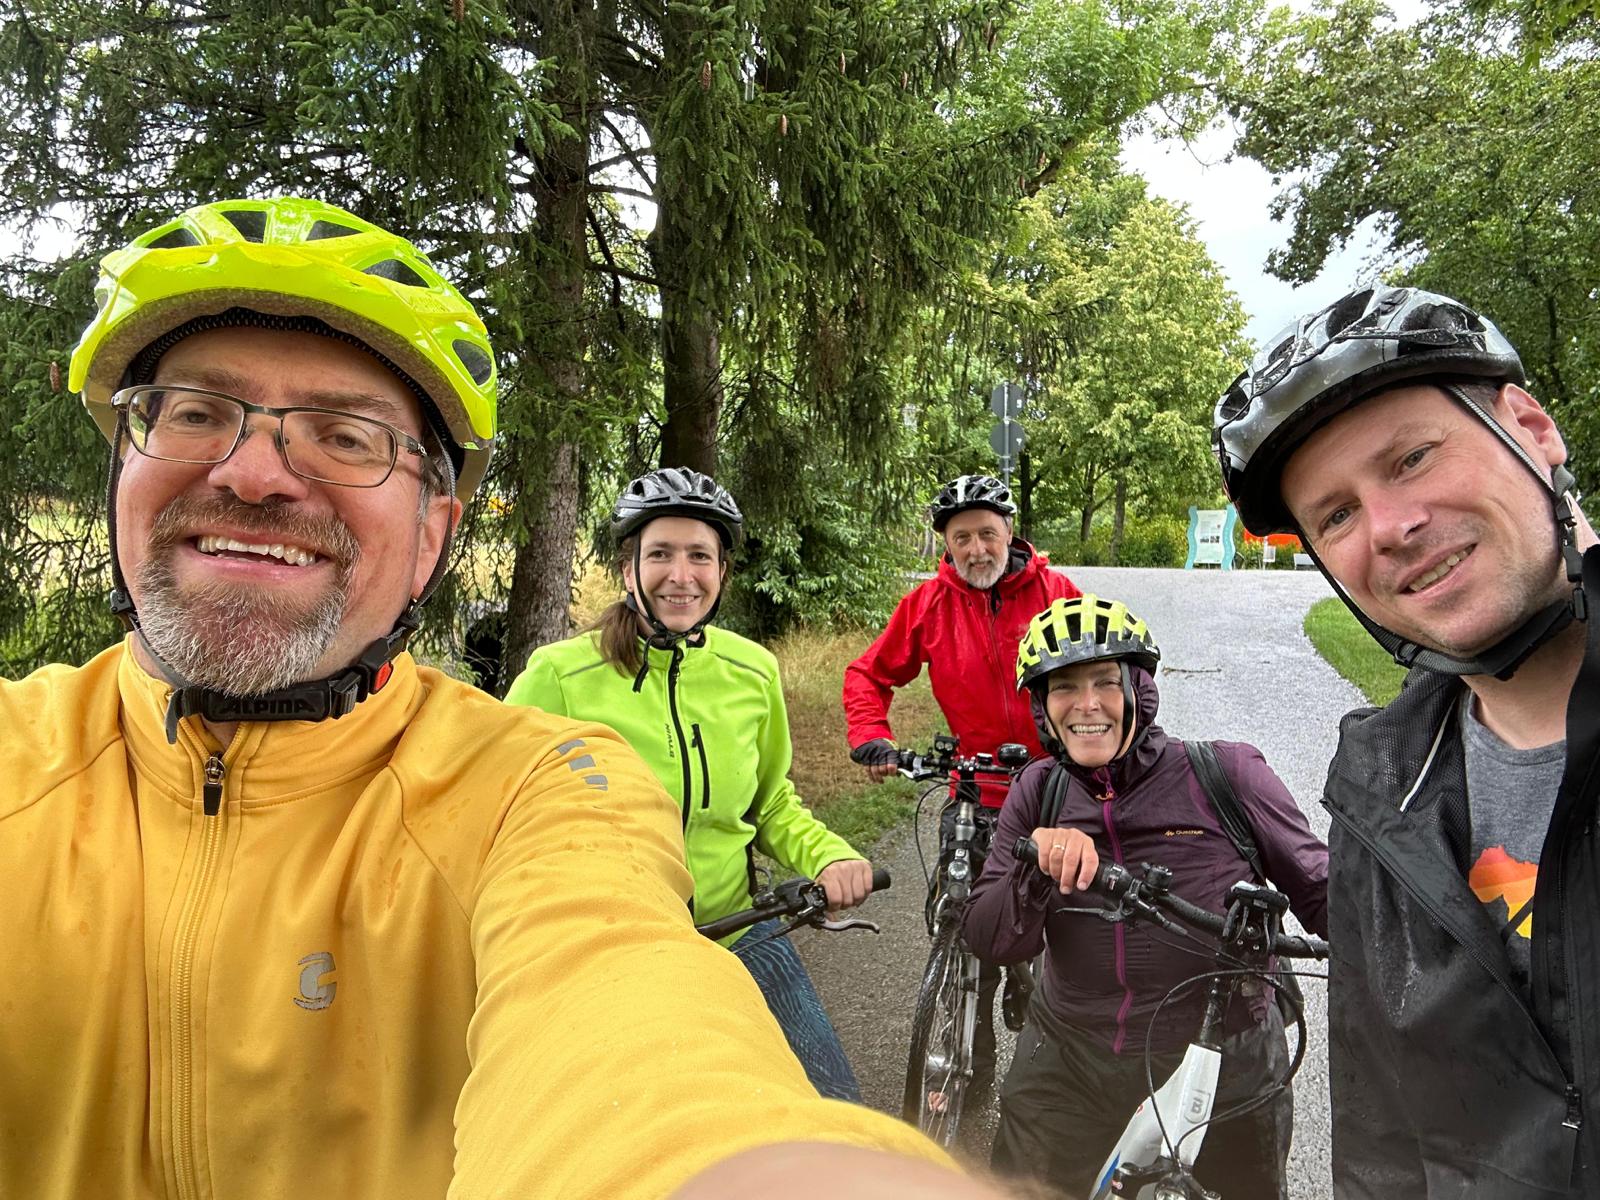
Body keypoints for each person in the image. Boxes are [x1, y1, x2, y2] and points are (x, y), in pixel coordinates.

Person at [0, 196, 970, 1200]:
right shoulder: (556, 682)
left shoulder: (557, 774)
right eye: (197, 412)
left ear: (431, 533)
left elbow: (634, 1004)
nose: (253, 475)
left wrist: (831, 858)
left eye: (345, 436)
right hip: (687, 926)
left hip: (724, 928)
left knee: (822, 1084)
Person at [1213, 284, 1600, 1197]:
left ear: (1532, 429)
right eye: (1336, 515)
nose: (1389, 528)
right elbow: (1385, 1146)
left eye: (1414, 456)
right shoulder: (1380, 788)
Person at [505, 467, 876, 1102]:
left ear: (722, 571)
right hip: (610, 948)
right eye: (661, 554)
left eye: (700, 555)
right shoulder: (560, 676)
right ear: (629, 569)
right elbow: (504, 815)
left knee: (830, 1105)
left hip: (737, 930)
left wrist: (829, 854)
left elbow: (771, 803)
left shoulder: (751, 672)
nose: (682, 575)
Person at [963, 594, 1328, 1199]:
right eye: (1063, 688)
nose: (1086, 705)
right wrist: (1034, 869)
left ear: (1139, 690)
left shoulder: (1226, 774)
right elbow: (989, 936)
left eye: (1106, 682)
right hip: (1072, 1055)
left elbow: (1326, 892)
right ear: (1043, 708)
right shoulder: (1038, 792)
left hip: (1221, 1055)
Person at [843, 474, 1080, 1084]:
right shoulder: (928, 604)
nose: (976, 549)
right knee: (960, 919)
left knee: (1072, 917)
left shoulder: (1056, 593)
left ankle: (1052, 1009)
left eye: (986, 534)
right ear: (946, 545)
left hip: (1052, 785)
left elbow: (1108, 676)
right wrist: (872, 736)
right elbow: (869, 674)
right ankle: (967, 1064)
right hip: (972, 787)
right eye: (961, 539)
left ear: (1009, 534)